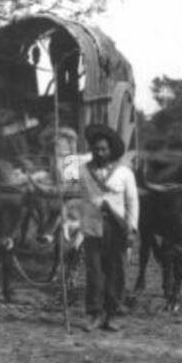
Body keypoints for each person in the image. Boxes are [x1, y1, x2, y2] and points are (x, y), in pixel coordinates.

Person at [78, 124, 139, 333]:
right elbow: (79, 194)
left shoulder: (124, 173)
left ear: (111, 150)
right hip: (93, 227)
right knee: (94, 272)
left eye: (104, 149)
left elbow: (132, 202)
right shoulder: (83, 170)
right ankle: (95, 314)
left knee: (116, 271)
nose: (100, 152)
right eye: (96, 149)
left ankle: (112, 315)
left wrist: (132, 229)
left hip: (117, 227)